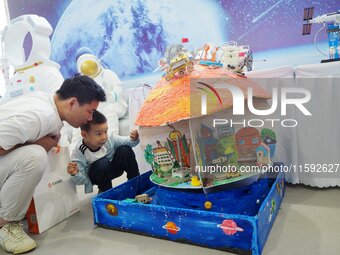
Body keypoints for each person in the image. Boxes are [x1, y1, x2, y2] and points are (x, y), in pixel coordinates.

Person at [0, 75, 106, 254]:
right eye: (89, 111)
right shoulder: (40, 116)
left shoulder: (47, 103)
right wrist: (38, 144)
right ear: (72, 103)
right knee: (34, 156)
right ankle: (6, 224)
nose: (90, 118)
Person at [67, 110, 140, 194]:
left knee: (125, 149)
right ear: (84, 135)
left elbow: (127, 142)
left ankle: (135, 182)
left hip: (112, 169)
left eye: (105, 131)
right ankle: (106, 192)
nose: (103, 137)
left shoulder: (109, 139)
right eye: (98, 134)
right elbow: (82, 180)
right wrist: (75, 173)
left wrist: (134, 139)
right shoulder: (79, 152)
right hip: (97, 176)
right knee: (102, 163)